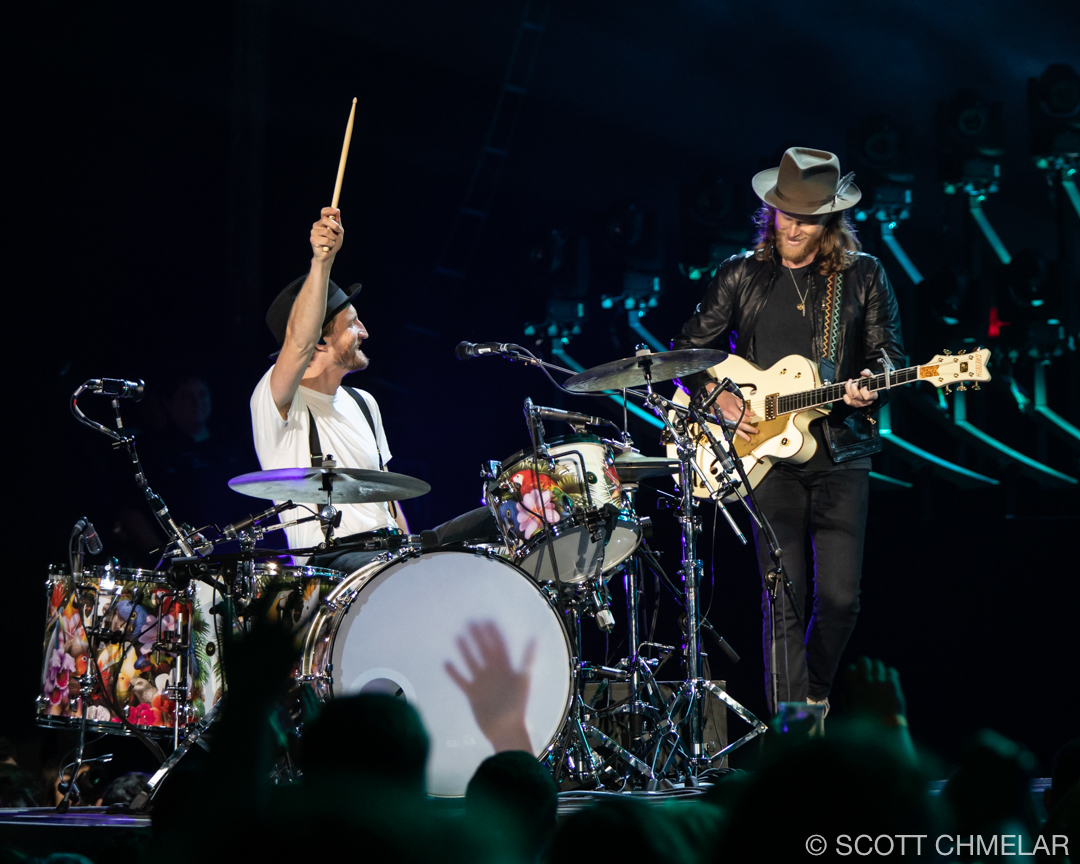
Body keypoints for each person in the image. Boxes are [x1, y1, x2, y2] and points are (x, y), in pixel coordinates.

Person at [672, 147, 905, 713]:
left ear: (830, 221)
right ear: (770, 211)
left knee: (841, 600)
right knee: (783, 597)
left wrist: (872, 383)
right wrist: (718, 396)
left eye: (806, 219)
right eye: (784, 214)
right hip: (764, 457)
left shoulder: (864, 275)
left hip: (841, 453)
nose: (793, 228)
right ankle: (791, 728)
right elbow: (686, 350)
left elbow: (889, 355)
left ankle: (816, 694)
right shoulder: (740, 273)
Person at [250, 207, 408, 573]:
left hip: (388, 554)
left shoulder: (364, 403)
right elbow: (299, 342)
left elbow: (389, 504)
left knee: (482, 530)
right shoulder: (278, 401)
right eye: (352, 324)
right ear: (320, 341)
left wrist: (415, 557)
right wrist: (322, 262)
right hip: (333, 566)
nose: (365, 332)